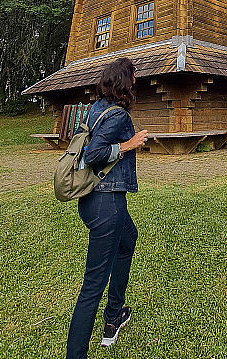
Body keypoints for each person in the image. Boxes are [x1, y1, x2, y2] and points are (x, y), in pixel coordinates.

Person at [65, 57, 149, 359]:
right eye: (134, 74)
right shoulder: (118, 115)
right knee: (92, 286)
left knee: (129, 240)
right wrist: (130, 143)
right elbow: (94, 153)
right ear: (126, 80)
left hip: (93, 200)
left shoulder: (97, 107)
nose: (137, 78)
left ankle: (114, 315)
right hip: (107, 203)